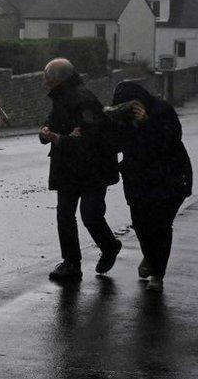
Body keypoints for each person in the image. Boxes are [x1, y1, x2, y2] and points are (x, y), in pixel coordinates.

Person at [39, 58, 122, 281]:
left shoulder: (84, 100)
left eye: (50, 77)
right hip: (68, 168)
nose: (46, 82)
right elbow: (53, 124)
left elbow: (89, 139)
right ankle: (71, 263)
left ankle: (110, 246)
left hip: (94, 168)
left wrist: (58, 138)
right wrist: (46, 132)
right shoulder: (60, 98)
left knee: (91, 215)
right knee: (64, 214)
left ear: (61, 79)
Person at [106, 81, 193, 292]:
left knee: (161, 226)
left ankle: (157, 274)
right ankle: (151, 256)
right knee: (141, 224)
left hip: (169, 177)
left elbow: (171, 140)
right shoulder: (124, 118)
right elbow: (116, 144)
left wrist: (147, 122)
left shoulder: (162, 110)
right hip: (137, 178)